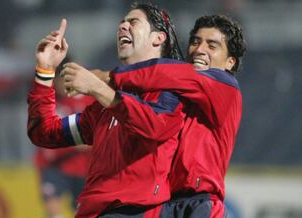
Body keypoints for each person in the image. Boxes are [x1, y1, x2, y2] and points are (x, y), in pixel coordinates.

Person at [27, 3, 186, 218]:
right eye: (121, 22)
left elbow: (155, 126)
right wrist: (45, 71)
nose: (122, 26)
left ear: (158, 38)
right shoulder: (102, 108)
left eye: (133, 22)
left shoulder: (173, 89)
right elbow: (44, 133)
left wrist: (98, 87)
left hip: (136, 212)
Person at [102, 14, 247, 217]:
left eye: (212, 45)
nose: (199, 49)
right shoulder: (175, 92)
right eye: (195, 42)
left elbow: (168, 73)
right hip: (164, 204)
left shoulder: (226, 87)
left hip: (200, 203)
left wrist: (110, 78)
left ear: (230, 62)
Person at [33, 57, 94, 218]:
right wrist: (74, 141)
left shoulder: (89, 100)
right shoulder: (48, 100)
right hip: (54, 166)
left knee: (81, 210)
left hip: (83, 167)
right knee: (53, 207)